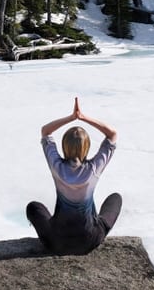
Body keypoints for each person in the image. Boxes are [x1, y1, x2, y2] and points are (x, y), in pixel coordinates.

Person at [26, 97, 122, 255]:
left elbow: (45, 131)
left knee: (33, 207)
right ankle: (93, 222)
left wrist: (71, 118)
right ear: (86, 147)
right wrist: (84, 117)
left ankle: (61, 226)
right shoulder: (93, 169)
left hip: (56, 242)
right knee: (116, 198)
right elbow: (112, 134)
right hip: (90, 240)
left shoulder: (56, 165)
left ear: (64, 145)